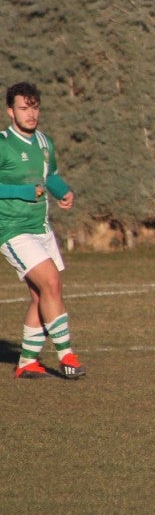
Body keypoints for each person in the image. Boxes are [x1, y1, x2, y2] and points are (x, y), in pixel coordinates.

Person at [0, 83, 84, 380]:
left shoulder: (45, 142)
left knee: (41, 295)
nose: (31, 114)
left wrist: (64, 192)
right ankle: (66, 355)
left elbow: (51, 176)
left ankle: (26, 363)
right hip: (11, 229)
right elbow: (24, 188)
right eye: (24, 108)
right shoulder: (3, 144)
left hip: (40, 227)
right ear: (10, 111)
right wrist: (23, 192)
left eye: (34, 107)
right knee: (51, 281)